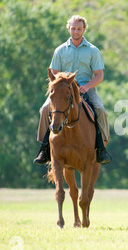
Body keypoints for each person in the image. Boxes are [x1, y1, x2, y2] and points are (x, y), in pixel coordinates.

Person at [33, 15, 112, 165]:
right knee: (44, 109)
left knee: (101, 109)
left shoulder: (92, 51)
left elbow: (99, 75)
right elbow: (54, 72)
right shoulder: (60, 50)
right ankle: (44, 149)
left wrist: (87, 86)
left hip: (85, 90)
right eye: (73, 28)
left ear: (84, 30)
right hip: (63, 92)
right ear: (69, 28)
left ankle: (102, 148)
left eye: (79, 29)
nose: (76, 31)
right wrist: (62, 84)